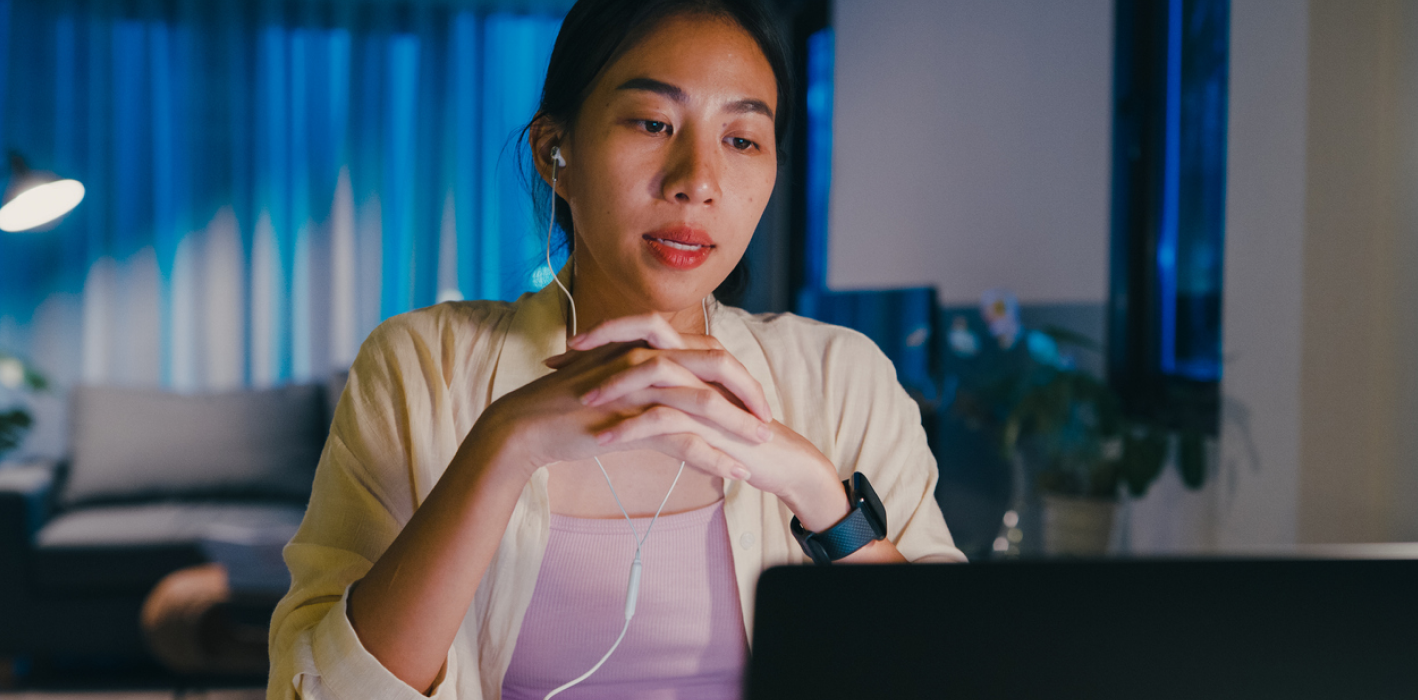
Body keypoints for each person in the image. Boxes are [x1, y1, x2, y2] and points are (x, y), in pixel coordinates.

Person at [267, 1, 963, 698]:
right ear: (555, 154)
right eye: (654, 124)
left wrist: (822, 499)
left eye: (743, 139)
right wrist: (504, 443)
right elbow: (326, 691)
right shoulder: (420, 366)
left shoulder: (844, 378)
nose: (698, 179)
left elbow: (953, 671)